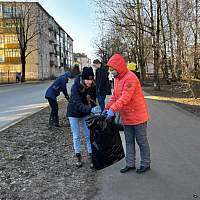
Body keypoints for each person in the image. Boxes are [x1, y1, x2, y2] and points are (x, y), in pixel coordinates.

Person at [104, 53, 151, 173]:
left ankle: (145, 163)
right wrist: (107, 107)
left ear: (118, 67)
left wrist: (113, 109)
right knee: (129, 141)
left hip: (138, 116)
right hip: (127, 116)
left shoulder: (130, 78)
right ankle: (130, 164)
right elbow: (115, 96)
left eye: (112, 69)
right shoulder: (117, 79)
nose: (111, 72)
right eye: (110, 70)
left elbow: (125, 98)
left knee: (141, 141)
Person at [67, 67, 100, 168]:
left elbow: (93, 100)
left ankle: (91, 156)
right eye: (88, 79)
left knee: (88, 135)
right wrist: (90, 110)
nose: (90, 82)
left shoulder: (92, 86)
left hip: (85, 113)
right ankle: (78, 156)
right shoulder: (75, 87)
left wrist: (96, 110)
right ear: (83, 78)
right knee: (76, 135)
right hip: (73, 113)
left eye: (91, 79)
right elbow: (78, 104)